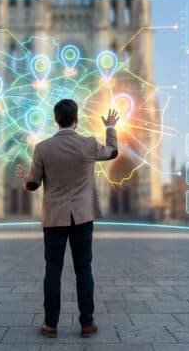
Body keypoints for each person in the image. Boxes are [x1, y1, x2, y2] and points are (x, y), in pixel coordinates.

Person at [16, 99, 119, 339]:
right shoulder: (88, 145)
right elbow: (113, 152)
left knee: (53, 270)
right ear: (76, 120)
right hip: (82, 217)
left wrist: (26, 177)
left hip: (54, 219)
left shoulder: (42, 148)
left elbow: (33, 184)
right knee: (84, 269)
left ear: (55, 120)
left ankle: (50, 325)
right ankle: (87, 324)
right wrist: (111, 127)